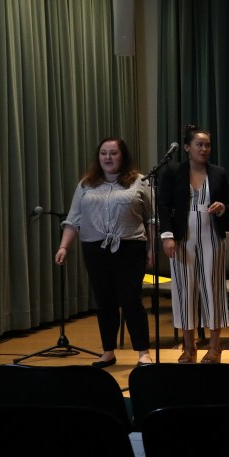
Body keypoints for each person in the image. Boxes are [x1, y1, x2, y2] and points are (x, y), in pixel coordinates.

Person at [56, 137, 155, 368]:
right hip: (95, 249)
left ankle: (143, 353)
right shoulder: (86, 185)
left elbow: (152, 219)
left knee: (131, 300)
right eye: (103, 153)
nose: (108, 158)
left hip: (130, 248)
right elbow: (73, 219)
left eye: (113, 153)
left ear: (123, 156)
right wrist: (63, 247)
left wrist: (152, 249)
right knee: (104, 301)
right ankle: (108, 351)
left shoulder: (140, 182)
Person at [158, 124, 229, 364]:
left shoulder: (218, 172)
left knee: (213, 288)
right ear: (187, 147)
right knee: (184, 290)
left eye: (207, 145)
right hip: (182, 236)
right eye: (199, 144)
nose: (204, 149)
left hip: (212, 235)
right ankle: (189, 347)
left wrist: (222, 207)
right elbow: (164, 206)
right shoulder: (172, 171)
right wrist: (167, 236)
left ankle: (215, 347)